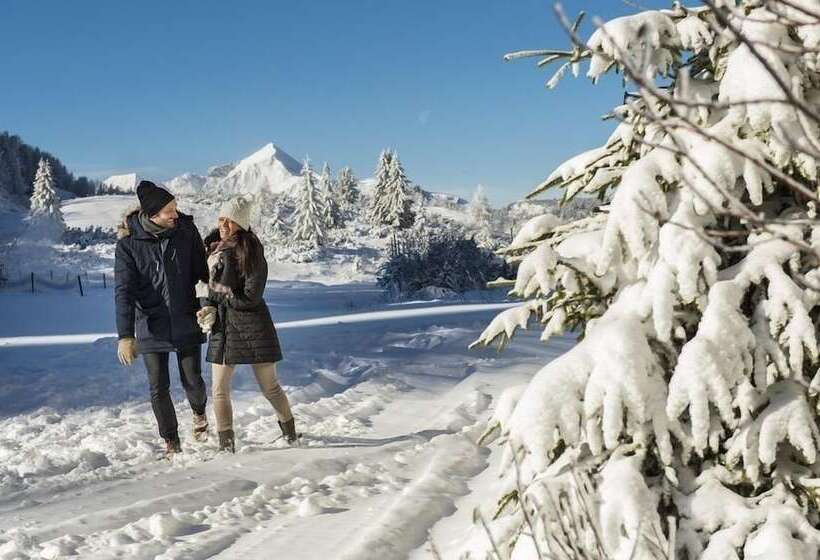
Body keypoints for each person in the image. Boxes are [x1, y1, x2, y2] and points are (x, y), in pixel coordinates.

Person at [114, 180, 210, 456]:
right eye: (170, 210)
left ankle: (199, 412)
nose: (175, 214)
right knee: (158, 386)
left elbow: (202, 273)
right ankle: (171, 441)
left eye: (175, 208)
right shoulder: (129, 246)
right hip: (150, 324)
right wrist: (125, 336)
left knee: (193, 380)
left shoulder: (186, 232)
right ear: (153, 214)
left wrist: (206, 305)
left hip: (186, 316)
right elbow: (124, 291)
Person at [196, 196, 297, 453]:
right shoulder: (213, 249)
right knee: (219, 390)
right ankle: (226, 446)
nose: (224, 225)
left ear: (241, 223)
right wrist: (207, 306)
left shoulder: (251, 250)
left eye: (230, 221)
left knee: (270, 387)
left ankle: (291, 434)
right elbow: (207, 286)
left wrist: (216, 294)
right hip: (224, 328)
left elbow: (251, 297)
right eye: (221, 219)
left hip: (253, 327)